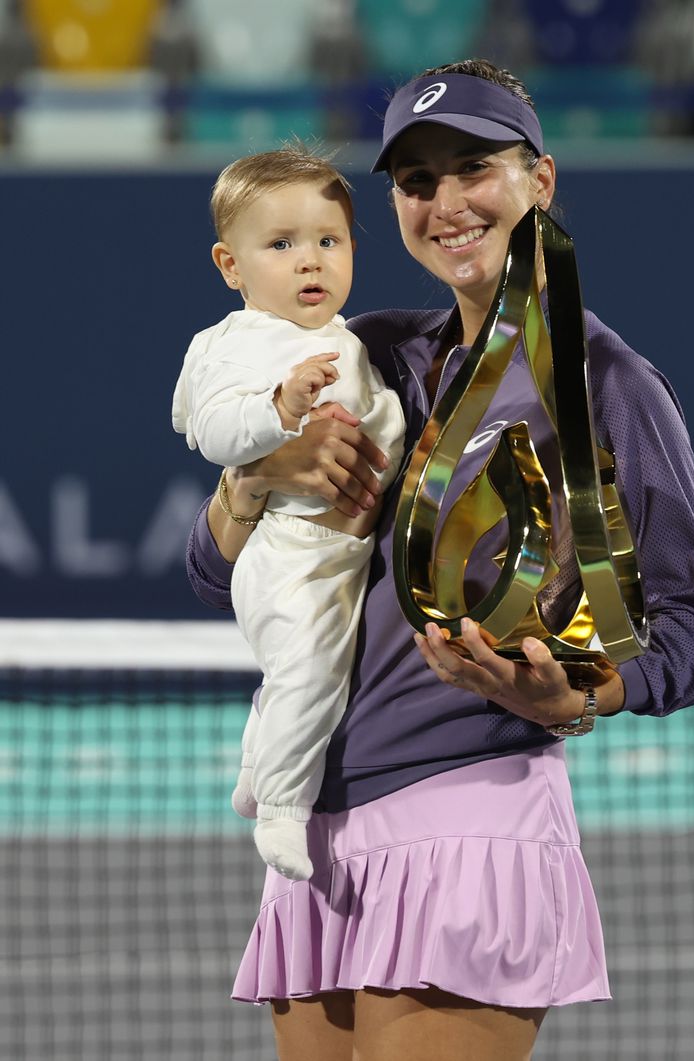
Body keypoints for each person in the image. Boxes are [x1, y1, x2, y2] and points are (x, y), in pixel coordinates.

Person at [185, 59, 694, 1061]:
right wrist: (256, 478)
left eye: (473, 167)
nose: (446, 202)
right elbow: (211, 571)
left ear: (540, 180)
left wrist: (576, 693)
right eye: (417, 180)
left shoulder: (605, 383)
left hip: (468, 809)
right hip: (319, 825)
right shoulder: (370, 354)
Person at [172, 146, 405, 880]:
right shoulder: (241, 344)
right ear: (230, 266)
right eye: (281, 245)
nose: (310, 261)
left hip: (339, 555)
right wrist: (278, 410)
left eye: (328, 240)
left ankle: (256, 772)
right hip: (289, 553)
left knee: (306, 671)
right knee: (309, 671)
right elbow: (213, 430)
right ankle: (280, 807)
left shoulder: (345, 338)